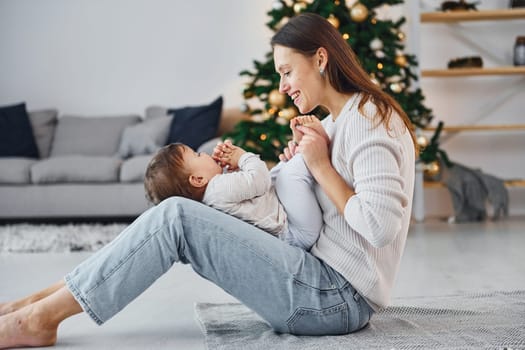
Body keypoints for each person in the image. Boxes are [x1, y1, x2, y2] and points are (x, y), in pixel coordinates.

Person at [0, 12, 416, 348]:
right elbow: (311, 205)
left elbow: (379, 228)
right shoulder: (339, 122)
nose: (283, 85)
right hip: (319, 280)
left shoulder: (369, 119)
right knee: (175, 216)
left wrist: (320, 167)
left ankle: (40, 318)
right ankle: (36, 302)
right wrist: (298, 166)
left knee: (175, 217)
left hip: (335, 299)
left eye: (287, 71)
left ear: (321, 59)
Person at [143, 118, 327, 250]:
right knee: (291, 171)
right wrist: (242, 157)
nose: (204, 154)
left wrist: (234, 170)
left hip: (290, 221)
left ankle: (300, 147)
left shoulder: (213, 196)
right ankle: (315, 148)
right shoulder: (217, 189)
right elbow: (260, 181)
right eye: (197, 155)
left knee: (283, 170)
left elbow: (254, 194)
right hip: (295, 230)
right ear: (198, 180)